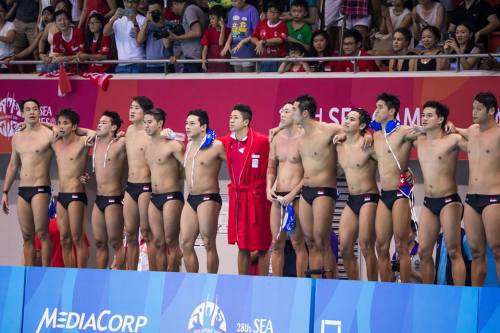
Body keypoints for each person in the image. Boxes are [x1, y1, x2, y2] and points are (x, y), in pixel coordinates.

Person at [288, 95, 347, 278]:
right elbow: (280, 128)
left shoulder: (328, 129)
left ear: (305, 113)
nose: (292, 115)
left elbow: (355, 130)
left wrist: (347, 135)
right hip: (307, 190)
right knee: (310, 241)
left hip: (324, 190)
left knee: (322, 240)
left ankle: (330, 283)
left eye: (295, 110)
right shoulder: (300, 135)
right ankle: (315, 283)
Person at [413, 101, 466, 285]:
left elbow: (479, 147)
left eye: (429, 115)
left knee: (453, 250)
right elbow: (392, 135)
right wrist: (369, 136)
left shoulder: (453, 140)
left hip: (449, 201)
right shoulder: (419, 139)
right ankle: (429, 292)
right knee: (424, 251)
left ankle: (461, 296)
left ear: (441, 119)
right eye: (423, 114)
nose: (424, 118)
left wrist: (458, 129)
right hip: (428, 202)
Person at [219, 104, 272, 275]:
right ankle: (241, 282)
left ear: (246, 122)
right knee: (242, 245)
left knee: (262, 245)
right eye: (230, 117)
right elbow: (207, 139)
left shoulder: (262, 141)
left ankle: (264, 284)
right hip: (238, 199)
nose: (231, 120)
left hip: (258, 199)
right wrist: (172, 135)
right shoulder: (226, 141)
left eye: (235, 118)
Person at [454, 92, 500, 286]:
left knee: (497, 250)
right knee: (476, 252)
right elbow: (458, 130)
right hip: (472, 199)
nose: (473, 112)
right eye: (473, 108)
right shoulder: (472, 130)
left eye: (478, 109)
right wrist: (452, 127)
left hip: (493, 197)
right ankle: (476, 297)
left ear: (491, 111)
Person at [372, 92, 417, 283]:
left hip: (401, 193)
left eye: (380, 107)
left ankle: (405, 289)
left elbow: (427, 134)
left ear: (391, 111)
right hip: (385, 194)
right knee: (381, 246)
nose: (376, 110)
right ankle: (387, 287)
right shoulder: (375, 136)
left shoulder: (405, 131)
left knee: (401, 245)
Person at [1, 99, 53, 267]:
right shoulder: (17, 137)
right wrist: (5, 192)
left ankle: (46, 271)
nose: (32, 112)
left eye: (35, 109)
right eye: (28, 110)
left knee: (42, 233)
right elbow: (12, 165)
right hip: (23, 190)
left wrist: (47, 123)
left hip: (40, 188)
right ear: (22, 114)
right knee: (27, 236)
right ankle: (29, 272)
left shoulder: (48, 134)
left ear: (39, 112)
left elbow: (65, 133)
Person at [180, 109, 226, 273]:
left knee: (208, 242)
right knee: (185, 244)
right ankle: (194, 281)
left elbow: (236, 162)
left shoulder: (217, 145)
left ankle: (211, 280)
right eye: (186, 123)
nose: (187, 126)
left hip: (208, 197)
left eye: (192, 123)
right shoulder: (189, 145)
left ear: (203, 126)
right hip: (191, 198)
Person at [337, 108, 379, 281]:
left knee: (366, 245)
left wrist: (370, 134)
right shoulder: (339, 144)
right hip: (352, 199)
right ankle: (355, 286)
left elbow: (388, 163)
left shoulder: (368, 145)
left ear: (361, 125)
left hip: (369, 197)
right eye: (346, 117)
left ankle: (371, 287)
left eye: (352, 119)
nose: (346, 121)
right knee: (345, 247)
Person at [266, 102, 308, 277]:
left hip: (296, 197)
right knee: (276, 244)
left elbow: (310, 173)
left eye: (287, 111)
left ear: (296, 114)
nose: (282, 114)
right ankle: (277, 284)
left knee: (298, 243)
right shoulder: (276, 138)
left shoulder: (304, 138)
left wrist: (293, 194)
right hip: (278, 197)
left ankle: (301, 285)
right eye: (281, 111)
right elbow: (271, 168)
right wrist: (269, 188)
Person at [144, 108, 184, 271]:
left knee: (171, 241)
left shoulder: (173, 145)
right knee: (158, 242)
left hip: (171, 197)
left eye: (150, 122)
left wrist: (178, 139)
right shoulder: (148, 148)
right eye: (144, 122)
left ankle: (172, 277)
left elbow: (188, 166)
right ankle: (160, 278)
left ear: (160, 124)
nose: (146, 125)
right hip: (154, 198)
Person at [52, 108, 92, 268]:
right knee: (64, 238)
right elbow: (48, 127)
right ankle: (68, 273)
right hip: (61, 196)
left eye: (66, 123)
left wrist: (80, 130)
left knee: (77, 237)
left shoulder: (83, 141)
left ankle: (80, 273)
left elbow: (95, 133)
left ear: (74, 126)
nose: (61, 127)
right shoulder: (56, 143)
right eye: (59, 123)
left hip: (76, 194)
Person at [91, 111, 127, 269]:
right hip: (98, 200)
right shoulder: (95, 141)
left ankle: (119, 272)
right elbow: (74, 129)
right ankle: (99, 275)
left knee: (115, 241)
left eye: (104, 122)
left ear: (113, 127)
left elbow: (140, 136)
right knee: (99, 241)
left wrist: (124, 134)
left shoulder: (121, 143)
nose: (99, 124)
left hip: (114, 199)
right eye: (99, 122)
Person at [123, 96, 155, 270]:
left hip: (145, 185)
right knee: (130, 233)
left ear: (145, 112)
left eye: (136, 108)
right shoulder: (128, 130)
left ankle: (152, 272)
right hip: (130, 186)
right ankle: (130, 273)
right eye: (131, 107)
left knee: (146, 232)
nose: (132, 110)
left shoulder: (151, 133)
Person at [103, 0, 146, 73]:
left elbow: (140, 41)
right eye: (127, 1)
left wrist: (134, 22)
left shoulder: (143, 19)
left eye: (133, 2)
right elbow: (105, 33)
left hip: (138, 61)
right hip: (122, 63)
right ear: (123, 2)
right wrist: (113, 18)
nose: (129, 5)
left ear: (138, 4)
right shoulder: (116, 18)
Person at [167, 0, 208, 73]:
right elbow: (191, 40)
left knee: (194, 84)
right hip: (192, 57)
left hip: (195, 58)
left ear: (175, 3)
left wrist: (176, 37)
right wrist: (179, 54)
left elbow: (197, 32)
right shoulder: (191, 9)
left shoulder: (189, 10)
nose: (172, 12)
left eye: (171, 9)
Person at [221, 0, 260, 72]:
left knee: (247, 79)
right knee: (238, 78)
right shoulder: (232, 10)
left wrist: (243, 41)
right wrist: (228, 43)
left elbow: (256, 33)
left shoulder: (252, 10)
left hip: (249, 51)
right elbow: (232, 30)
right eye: (232, 1)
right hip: (235, 50)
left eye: (235, 1)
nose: (233, 3)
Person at [250, 1, 287, 72]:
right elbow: (253, 37)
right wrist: (258, 43)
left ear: (280, 14)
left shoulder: (283, 25)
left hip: (278, 60)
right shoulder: (262, 23)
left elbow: (280, 40)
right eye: (269, 11)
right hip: (263, 59)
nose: (271, 14)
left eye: (275, 12)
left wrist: (263, 42)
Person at [136, 0, 171, 73]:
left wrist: (161, 25)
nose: (154, 14)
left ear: (163, 10)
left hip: (165, 65)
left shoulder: (169, 25)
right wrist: (146, 21)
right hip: (150, 65)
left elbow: (167, 44)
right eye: (151, 12)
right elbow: (139, 40)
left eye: (156, 11)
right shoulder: (148, 26)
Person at [200, 5, 230, 72]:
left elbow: (221, 43)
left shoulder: (228, 31)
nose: (211, 21)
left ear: (220, 19)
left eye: (213, 18)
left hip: (225, 64)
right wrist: (203, 61)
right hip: (212, 64)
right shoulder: (208, 31)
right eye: (210, 19)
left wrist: (222, 28)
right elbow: (205, 48)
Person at [0, 1, 15, 73]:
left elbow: (10, 39)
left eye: (1, 11)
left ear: (6, 12)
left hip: (6, 61)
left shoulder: (10, 25)